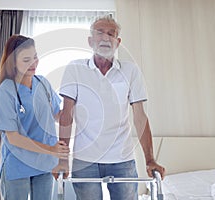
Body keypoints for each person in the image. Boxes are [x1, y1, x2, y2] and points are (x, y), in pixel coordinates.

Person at [53, 16, 165, 200]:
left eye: (111, 34)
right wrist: (63, 160)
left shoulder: (131, 71)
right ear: (90, 41)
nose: (105, 38)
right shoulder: (75, 69)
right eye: (100, 33)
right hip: (85, 159)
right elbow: (67, 116)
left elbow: (140, 117)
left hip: (122, 159)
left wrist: (150, 159)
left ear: (118, 42)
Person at [0, 34, 69, 200]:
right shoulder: (5, 91)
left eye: (35, 57)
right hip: (18, 165)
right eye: (26, 60)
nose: (34, 63)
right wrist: (51, 149)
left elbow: (57, 115)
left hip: (44, 164)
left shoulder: (42, 83)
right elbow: (13, 138)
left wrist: (74, 103)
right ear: (13, 62)